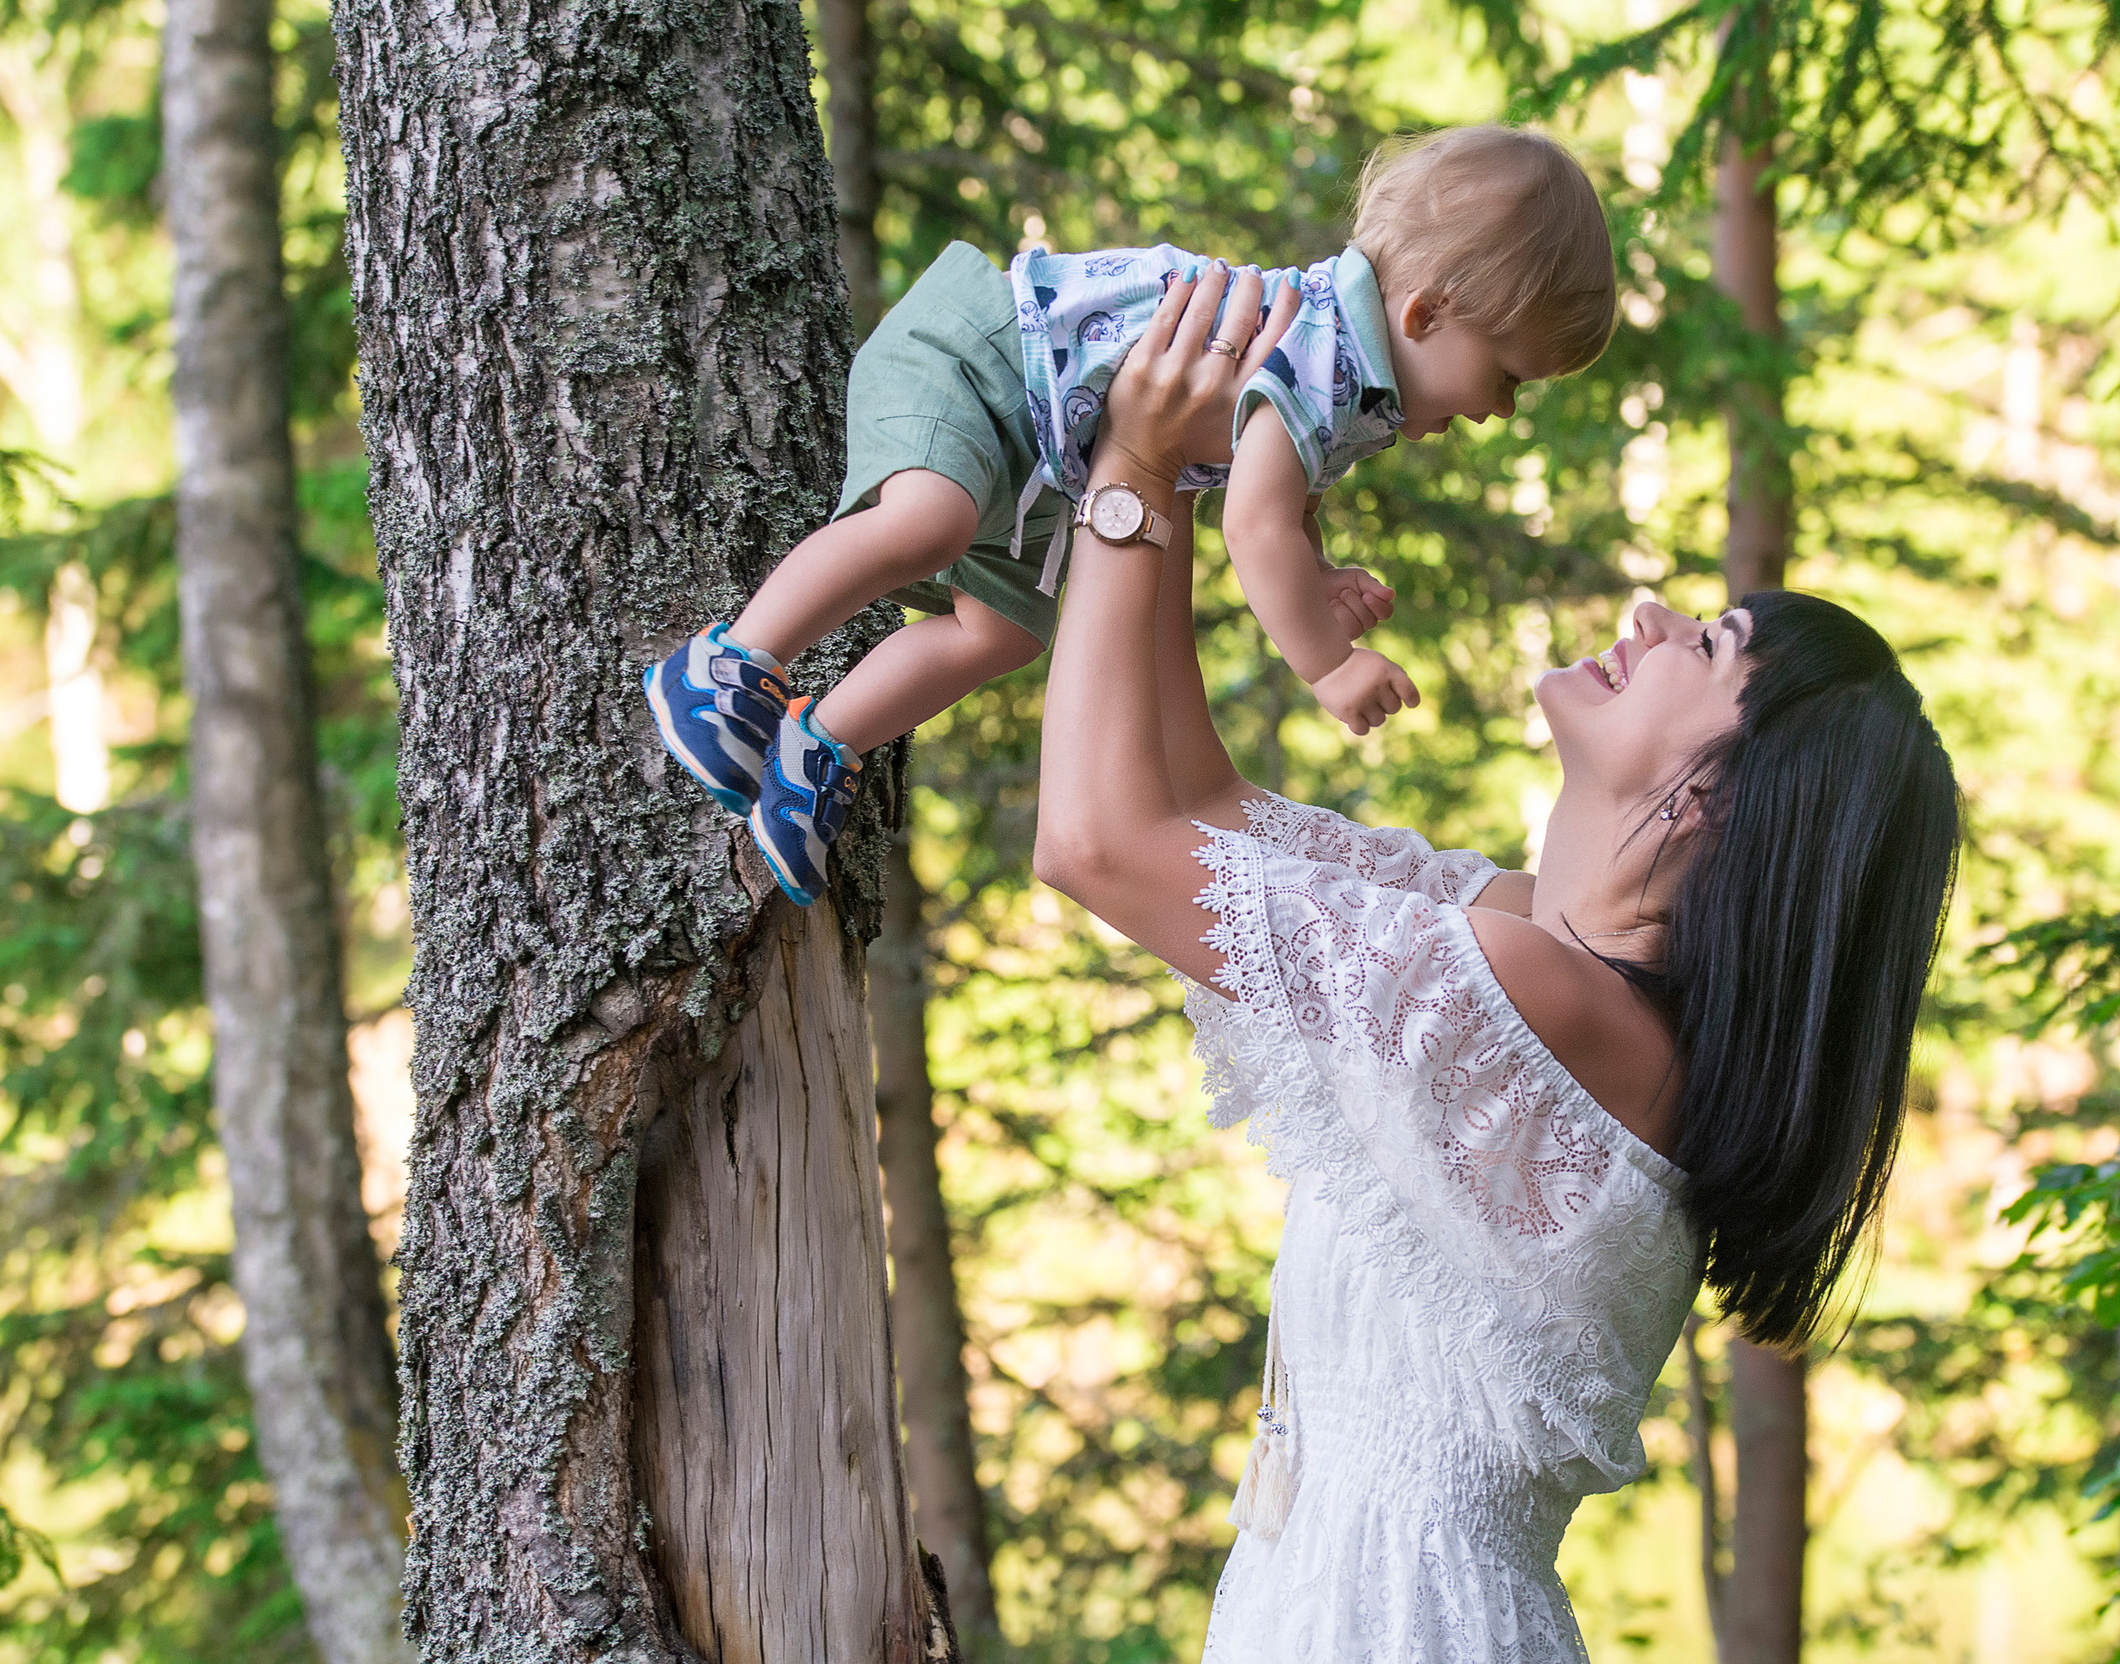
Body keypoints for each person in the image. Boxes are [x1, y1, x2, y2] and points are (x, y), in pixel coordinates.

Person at [1031, 266, 1963, 1661]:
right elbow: (1199, 813)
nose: (1648, 617)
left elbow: (1099, 842)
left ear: (1718, 798)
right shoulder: (1527, 946)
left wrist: (1126, 473)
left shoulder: (1553, 1006)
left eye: (1703, 643)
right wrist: (1171, 488)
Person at [645, 126, 1615, 905]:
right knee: (929, 523)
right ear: (1426, 315)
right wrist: (1328, 663)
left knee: (999, 636)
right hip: (985, 362)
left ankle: (818, 748)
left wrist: (1316, 580)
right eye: (1506, 378)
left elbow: (1289, 510)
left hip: (1042, 461)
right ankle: (729, 664)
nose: (1496, 411)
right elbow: (1254, 525)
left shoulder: (1359, 391)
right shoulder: (1321, 352)